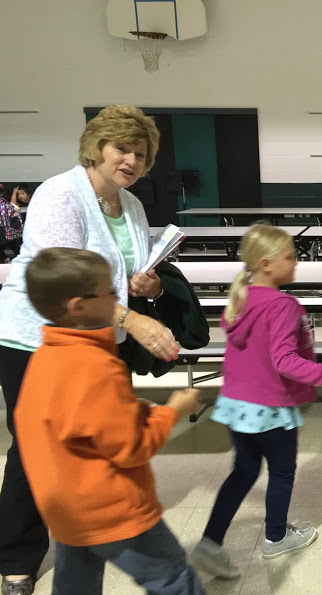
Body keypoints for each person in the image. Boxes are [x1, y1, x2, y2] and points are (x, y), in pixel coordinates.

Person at [0, 105, 179, 595]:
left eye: (141, 153)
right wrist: (132, 316)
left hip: (99, 340)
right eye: (122, 148)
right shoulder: (60, 194)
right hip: (36, 339)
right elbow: (65, 285)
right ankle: (17, 559)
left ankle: (86, 530)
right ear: (96, 148)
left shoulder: (133, 206)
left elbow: (120, 273)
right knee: (34, 446)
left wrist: (143, 284)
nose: (131, 160)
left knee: (93, 437)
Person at [14, 247, 204, 595]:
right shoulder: (97, 367)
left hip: (66, 512)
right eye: (110, 292)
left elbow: (73, 428)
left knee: (76, 586)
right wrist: (172, 409)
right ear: (78, 306)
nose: (120, 299)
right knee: (173, 578)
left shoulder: (44, 361)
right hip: (114, 512)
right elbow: (133, 448)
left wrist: (132, 410)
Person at [188, 224, 322, 578]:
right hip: (270, 408)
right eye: (291, 257)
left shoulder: (241, 297)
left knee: (244, 471)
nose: (297, 263)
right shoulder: (283, 305)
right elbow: (286, 362)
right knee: (282, 471)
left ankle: (209, 542)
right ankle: (277, 537)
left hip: (238, 405)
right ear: (266, 264)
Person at [0, 184, 30, 262]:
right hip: (11, 233)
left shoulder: (5, 205)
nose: (20, 196)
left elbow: (13, 207)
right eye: (18, 194)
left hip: (10, 234)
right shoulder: (7, 204)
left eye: (22, 193)